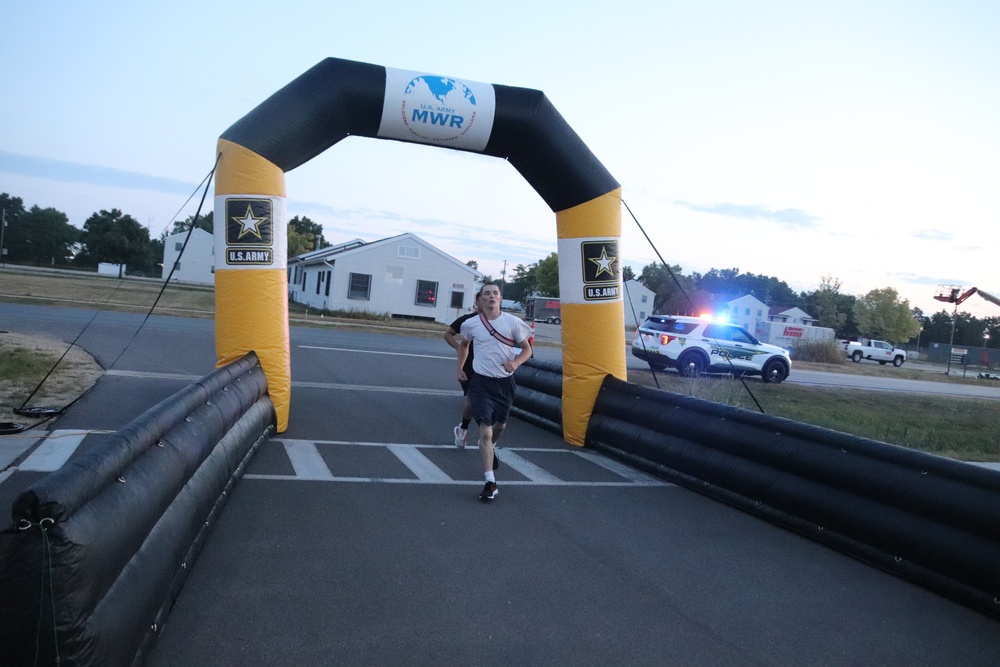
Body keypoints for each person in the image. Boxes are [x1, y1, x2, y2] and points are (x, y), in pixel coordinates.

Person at [457, 282, 533, 502]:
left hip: (504, 383)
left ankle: (492, 449)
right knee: (485, 433)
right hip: (480, 383)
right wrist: (460, 368)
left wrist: (516, 362)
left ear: (500, 299)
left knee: (500, 426)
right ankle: (490, 483)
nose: (491, 296)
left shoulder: (513, 323)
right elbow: (464, 345)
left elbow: (527, 349)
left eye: (495, 293)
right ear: (480, 300)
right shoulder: (471, 324)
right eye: (487, 293)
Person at [443, 289, 483, 448]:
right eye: (483, 298)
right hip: (469, 365)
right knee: (473, 400)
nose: (488, 300)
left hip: (489, 366)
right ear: (477, 302)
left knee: (483, 400)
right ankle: (464, 428)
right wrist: (459, 347)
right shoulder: (468, 320)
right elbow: (448, 334)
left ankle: (486, 436)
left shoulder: (498, 321)